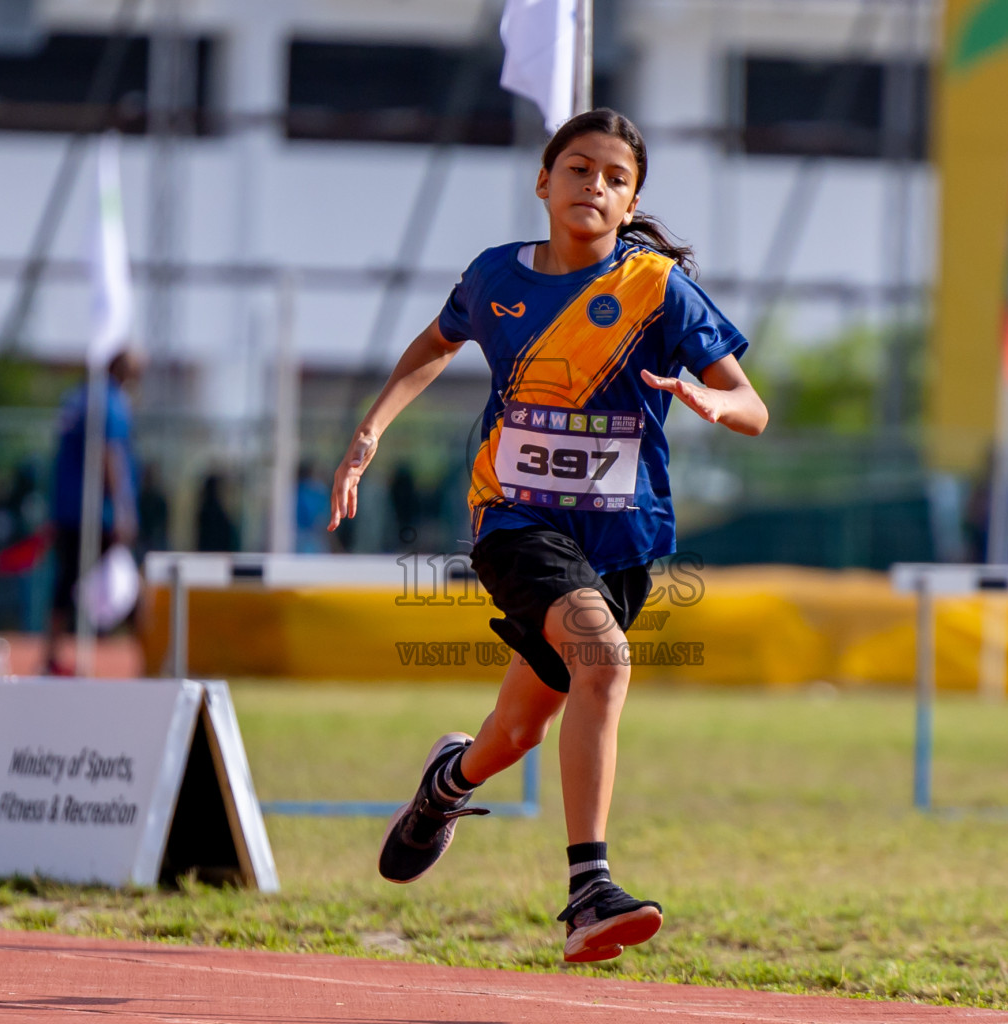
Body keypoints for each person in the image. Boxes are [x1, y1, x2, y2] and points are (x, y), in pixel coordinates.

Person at [328, 109, 768, 963]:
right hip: (514, 520)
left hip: (623, 540)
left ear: (632, 197)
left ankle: (444, 785)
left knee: (520, 729)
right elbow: (432, 343)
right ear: (543, 180)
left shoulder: (656, 290)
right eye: (578, 168)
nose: (593, 186)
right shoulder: (498, 278)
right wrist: (371, 429)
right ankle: (589, 889)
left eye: (614, 176)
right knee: (603, 660)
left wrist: (718, 404)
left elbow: (752, 403)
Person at [42, 348, 143, 675]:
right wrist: (124, 509)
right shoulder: (110, 402)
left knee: (66, 581)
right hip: (98, 513)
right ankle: (151, 657)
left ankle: (51, 655)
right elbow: (108, 454)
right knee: (132, 582)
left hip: (68, 508)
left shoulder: (77, 398)